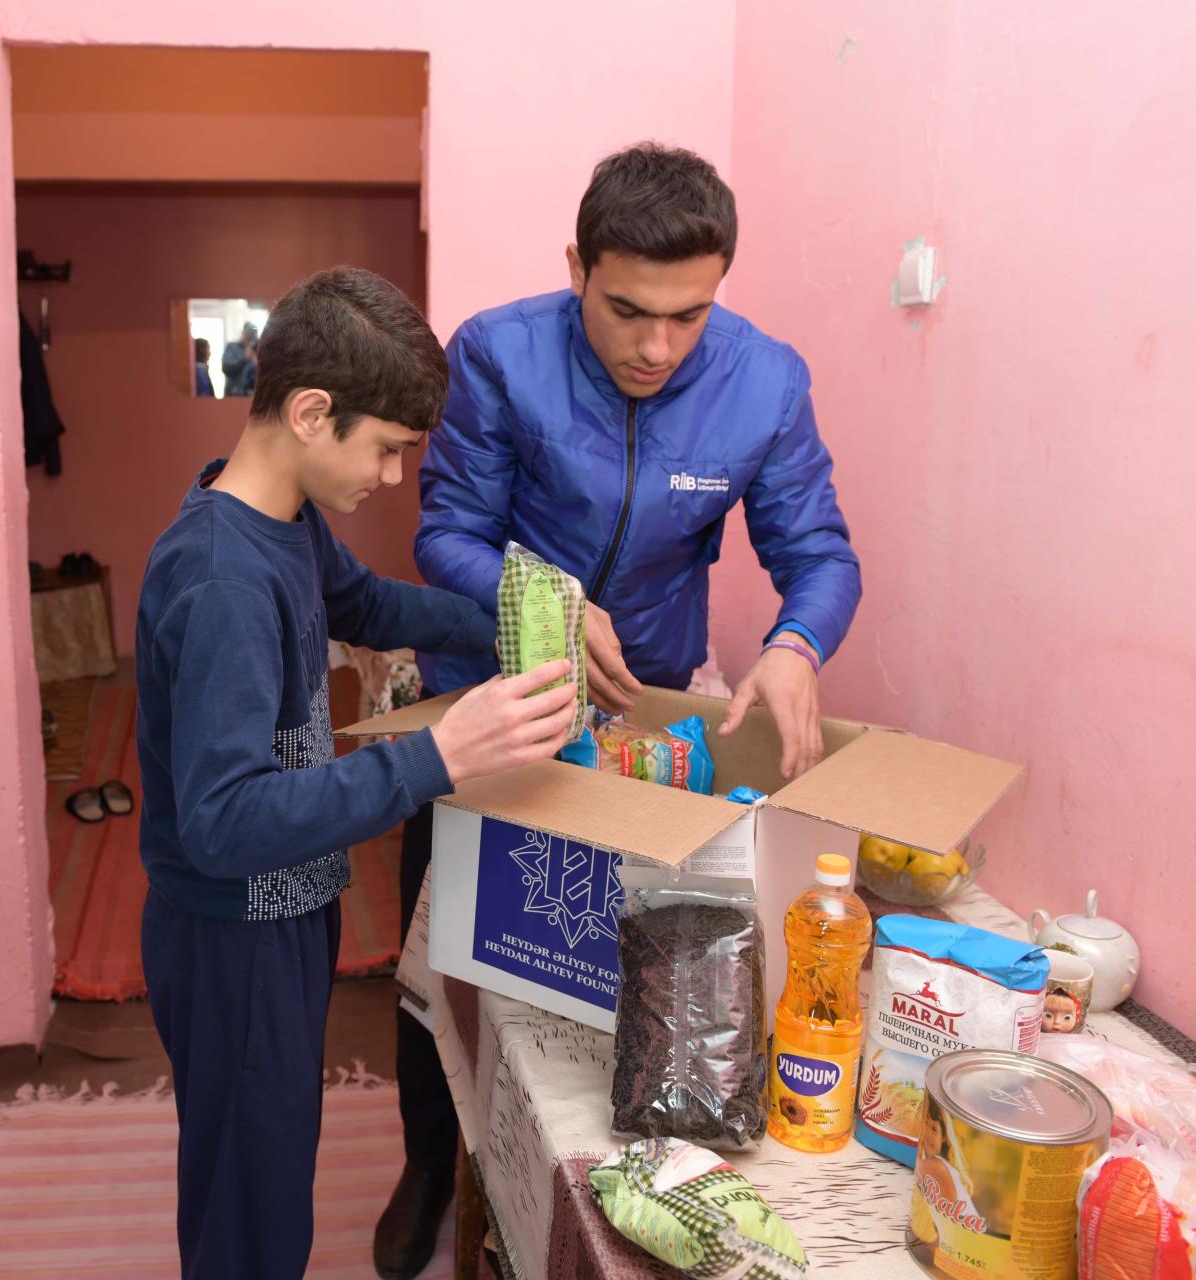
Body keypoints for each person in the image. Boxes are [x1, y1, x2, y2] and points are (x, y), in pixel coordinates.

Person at [375, 143, 863, 1278]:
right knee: (450, 942)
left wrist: (796, 644)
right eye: (628, 310)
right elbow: (442, 530)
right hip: (489, 683)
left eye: (689, 315)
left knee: (609, 950)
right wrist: (544, 594)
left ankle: (587, 1161)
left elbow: (820, 552)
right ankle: (424, 1157)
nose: (656, 346)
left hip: (646, 706)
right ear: (575, 269)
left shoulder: (765, 379)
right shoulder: (498, 352)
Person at [134, 266, 578, 1280]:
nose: (391, 475)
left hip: (287, 906)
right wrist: (437, 757)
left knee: (271, 1167)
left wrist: (516, 620)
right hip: (231, 932)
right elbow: (222, 818)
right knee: (247, 1204)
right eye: (385, 448)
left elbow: (369, 604)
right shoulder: (219, 581)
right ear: (310, 411)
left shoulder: (282, 521)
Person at [221, 320, 259, 396]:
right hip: (234, 393)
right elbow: (226, 368)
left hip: (252, 394)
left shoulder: (257, 348)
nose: (250, 335)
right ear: (243, 332)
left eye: (253, 333)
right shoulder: (232, 347)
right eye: (248, 332)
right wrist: (245, 358)